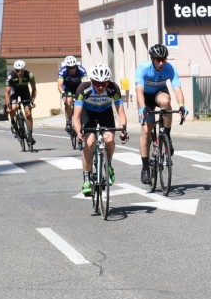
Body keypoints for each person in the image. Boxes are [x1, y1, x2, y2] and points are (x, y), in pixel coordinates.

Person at [135, 44, 188, 184]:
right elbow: (139, 90)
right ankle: (145, 167)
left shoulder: (170, 68)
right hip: (145, 98)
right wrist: (141, 107)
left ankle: (167, 135)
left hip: (159, 93)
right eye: (158, 60)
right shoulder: (143, 68)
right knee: (146, 131)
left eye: (163, 59)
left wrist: (182, 105)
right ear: (152, 59)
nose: (161, 63)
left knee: (166, 102)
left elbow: (177, 89)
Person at [73, 64, 129, 196]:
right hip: (88, 114)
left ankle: (108, 165)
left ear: (108, 82)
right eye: (97, 83)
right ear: (91, 82)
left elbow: (121, 113)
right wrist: (78, 131)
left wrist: (123, 129)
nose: (100, 87)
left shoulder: (113, 88)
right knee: (90, 142)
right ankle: (86, 178)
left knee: (109, 139)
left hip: (105, 113)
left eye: (103, 84)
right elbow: (76, 116)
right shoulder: (83, 89)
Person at [5, 60, 37, 142]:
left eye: (21, 70)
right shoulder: (10, 76)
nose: (19, 72)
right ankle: (13, 121)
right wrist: (8, 105)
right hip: (14, 91)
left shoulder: (30, 75)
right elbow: (7, 92)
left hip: (24, 92)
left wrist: (32, 100)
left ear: (24, 70)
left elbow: (34, 89)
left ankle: (30, 134)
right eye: (17, 70)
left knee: (28, 113)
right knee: (14, 107)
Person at [58, 55, 88, 132]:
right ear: (67, 67)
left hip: (79, 87)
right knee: (69, 101)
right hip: (68, 88)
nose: (72, 70)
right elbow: (60, 85)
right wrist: (63, 93)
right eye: (69, 68)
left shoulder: (81, 69)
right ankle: (68, 122)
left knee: (84, 101)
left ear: (76, 66)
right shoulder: (62, 71)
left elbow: (86, 82)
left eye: (73, 67)